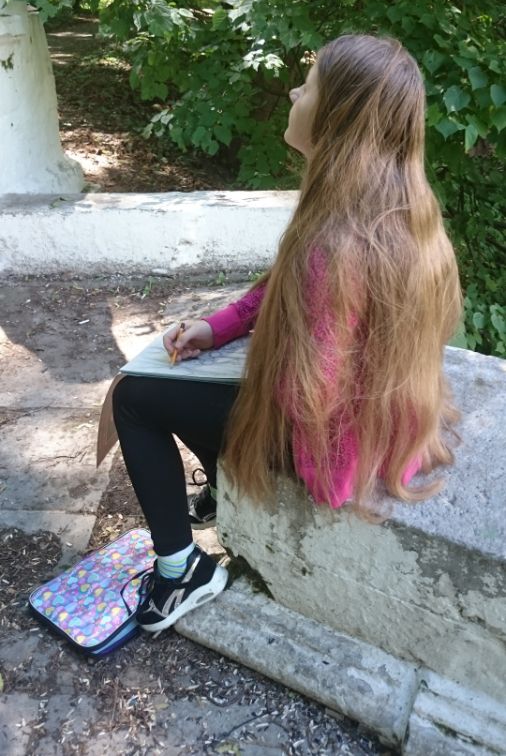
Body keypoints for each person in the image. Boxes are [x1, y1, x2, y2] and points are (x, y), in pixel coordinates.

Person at [112, 33, 462, 637]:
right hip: (383, 426)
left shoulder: (333, 247)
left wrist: (255, 357)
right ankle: (223, 492)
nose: (295, 93)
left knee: (135, 398)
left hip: (331, 451)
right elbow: (278, 287)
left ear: (336, 118)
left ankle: (181, 571)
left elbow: (306, 397)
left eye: (309, 85)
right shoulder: (393, 207)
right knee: (196, 379)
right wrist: (218, 329)